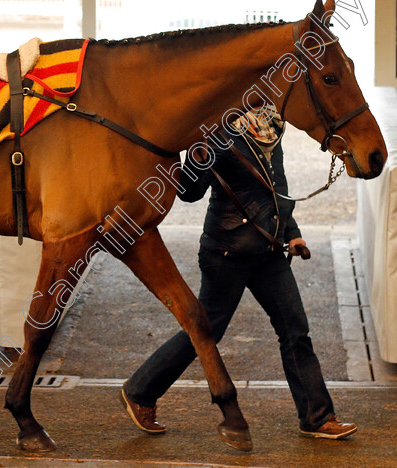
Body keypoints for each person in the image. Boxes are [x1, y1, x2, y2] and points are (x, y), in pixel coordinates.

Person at [119, 108, 358, 441]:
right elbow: (189, 192)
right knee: (204, 332)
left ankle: (317, 417)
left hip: (270, 251)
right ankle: (140, 391)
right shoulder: (219, 130)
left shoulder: (272, 127)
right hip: (227, 253)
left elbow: (276, 187)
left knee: (296, 331)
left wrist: (292, 231)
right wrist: (199, 152)